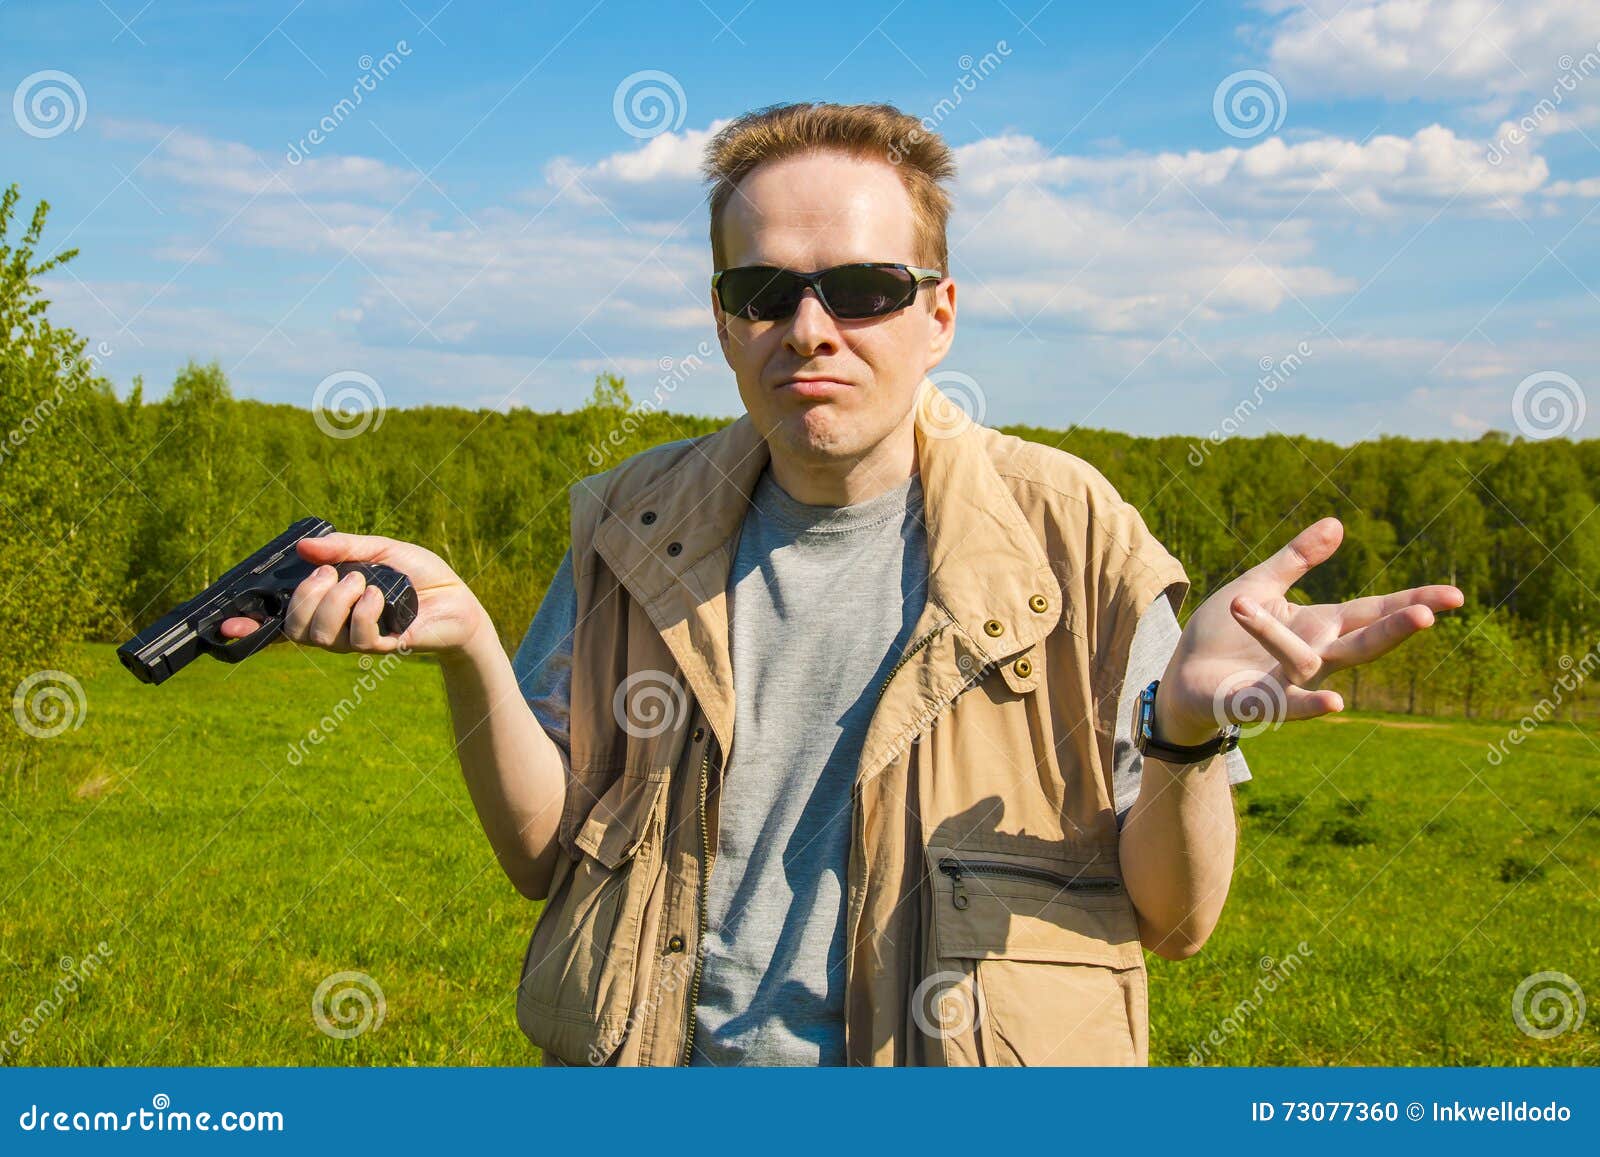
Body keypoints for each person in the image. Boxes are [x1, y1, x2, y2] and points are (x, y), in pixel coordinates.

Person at [222, 101, 1464, 1067]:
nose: (808, 327)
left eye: (862, 290)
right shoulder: (626, 524)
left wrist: (1182, 733)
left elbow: (1178, 918)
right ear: (722, 323)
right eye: (763, 291)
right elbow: (544, 857)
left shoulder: (1071, 530)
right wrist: (470, 651)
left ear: (940, 314)